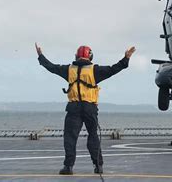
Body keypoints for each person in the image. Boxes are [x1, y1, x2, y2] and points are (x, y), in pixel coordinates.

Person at [35, 42, 136, 175]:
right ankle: (98, 166)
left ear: (76, 56)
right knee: (93, 136)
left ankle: (68, 167)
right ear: (90, 56)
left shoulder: (68, 69)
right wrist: (126, 58)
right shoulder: (95, 70)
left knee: (70, 138)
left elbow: (51, 67)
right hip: (90, 108)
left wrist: (41, 56)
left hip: (73, 108)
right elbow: (113, 69)